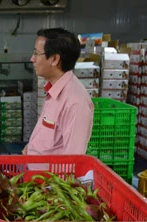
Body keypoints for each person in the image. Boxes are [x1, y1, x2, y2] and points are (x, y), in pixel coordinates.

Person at [23, 28, 94, 156]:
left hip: (49, 176)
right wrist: (32, 147)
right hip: (34, 171)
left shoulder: (75, 103)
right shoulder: (54, 89)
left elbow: (72, 161)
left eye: (36, 53)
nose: (32, 58)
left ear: (55, 59)